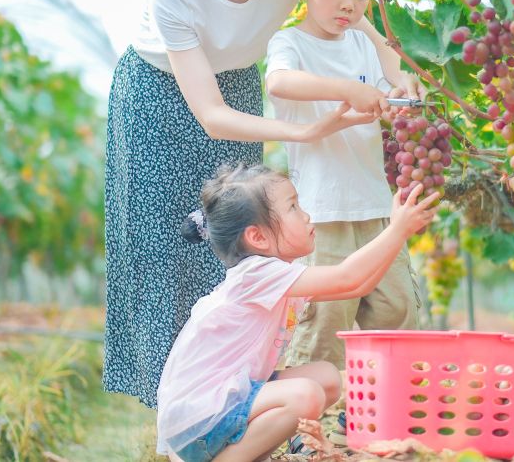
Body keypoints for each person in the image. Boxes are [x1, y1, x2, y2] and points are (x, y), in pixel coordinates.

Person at [103, 0, 420, 409]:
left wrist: (393, 67)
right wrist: (307, 127)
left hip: (240, 86)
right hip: (158, 95)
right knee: (161, 246)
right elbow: (211, 114)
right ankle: (174, 405)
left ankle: (240, 393)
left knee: (234, 241)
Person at [156, 165, 438, 462]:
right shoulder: (256, 273)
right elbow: (348, 278)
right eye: (293, 207)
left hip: (219, 405)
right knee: (306, 395)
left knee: (327, 379)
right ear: (258, 237)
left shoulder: (276, 274)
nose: (305, 215)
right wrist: (396, 229)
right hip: (199, 421)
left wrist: (397, 235)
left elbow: (359, 286)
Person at [264, 0, 422, 382]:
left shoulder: (362, 45)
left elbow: (382, 91)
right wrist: (343, 90)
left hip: (375, 210)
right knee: (324, 325)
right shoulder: (289, 42)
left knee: (397, 312)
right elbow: (279, 82)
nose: (349, 5)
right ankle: (304, 427)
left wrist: (398, 99)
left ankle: (378, 415)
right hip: (324, 215)